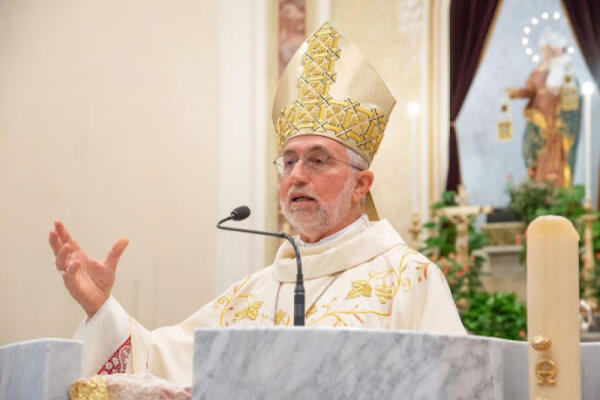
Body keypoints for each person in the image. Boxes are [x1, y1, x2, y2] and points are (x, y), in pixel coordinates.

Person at [49, 22, 465, 387]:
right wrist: (101, 308)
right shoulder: (254, 292)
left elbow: (457, 383)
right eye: (288, 161)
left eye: (318, 160)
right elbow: (160, 363)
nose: (296, 175)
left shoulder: (409, 281)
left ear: (362, 184)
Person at [506, 27, 581, 187]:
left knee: (558, 158)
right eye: (543, 50)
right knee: (538, 155)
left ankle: (560, 192)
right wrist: (515, 93)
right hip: (540, 123)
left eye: (547, 50)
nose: (544, 53)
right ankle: (539, 192)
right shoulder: (537, 72)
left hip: (558, 123)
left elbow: (572, 97)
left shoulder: (564, 71)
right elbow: (529, 90)